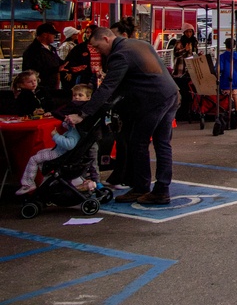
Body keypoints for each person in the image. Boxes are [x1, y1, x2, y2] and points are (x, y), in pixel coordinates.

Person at [82, 27, 180, 205]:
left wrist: (85, 112)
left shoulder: (120, 54)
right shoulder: (138, 44)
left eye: (97, 47)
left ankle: (142, 187)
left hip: (153, 100)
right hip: (170, 94)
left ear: (106, 39)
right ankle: (161, 189)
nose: (97, 51)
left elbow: (108, 86)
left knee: (138, 142)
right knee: (162, 143)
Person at [16, 113, 84, 195]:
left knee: (33, 159)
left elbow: (69, 145)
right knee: (40, 153)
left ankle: (28, 184)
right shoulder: (75, 129)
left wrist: (56, 136)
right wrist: (67, 121)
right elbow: (66, 126)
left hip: (59, 154)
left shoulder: (75, 133)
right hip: (60, 152)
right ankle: (46, 175)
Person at [21, 22, 62, 93]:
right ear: (44, 35)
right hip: (40, 88)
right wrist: (55, 69)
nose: (54, 36)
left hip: (52, 87)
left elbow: (58, 62)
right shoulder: (32, 51)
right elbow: (33, 70)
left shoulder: (51, 48)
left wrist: (70, 66)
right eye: (52, 34)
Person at [218, 38, 237, 117]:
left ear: (225, 45)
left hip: (226, 78)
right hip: (235, 78)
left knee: (227, 96)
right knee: (235, 94)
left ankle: (228, 111)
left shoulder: (222, 56)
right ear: (234, 45)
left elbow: (220, 68)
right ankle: (236, 111)